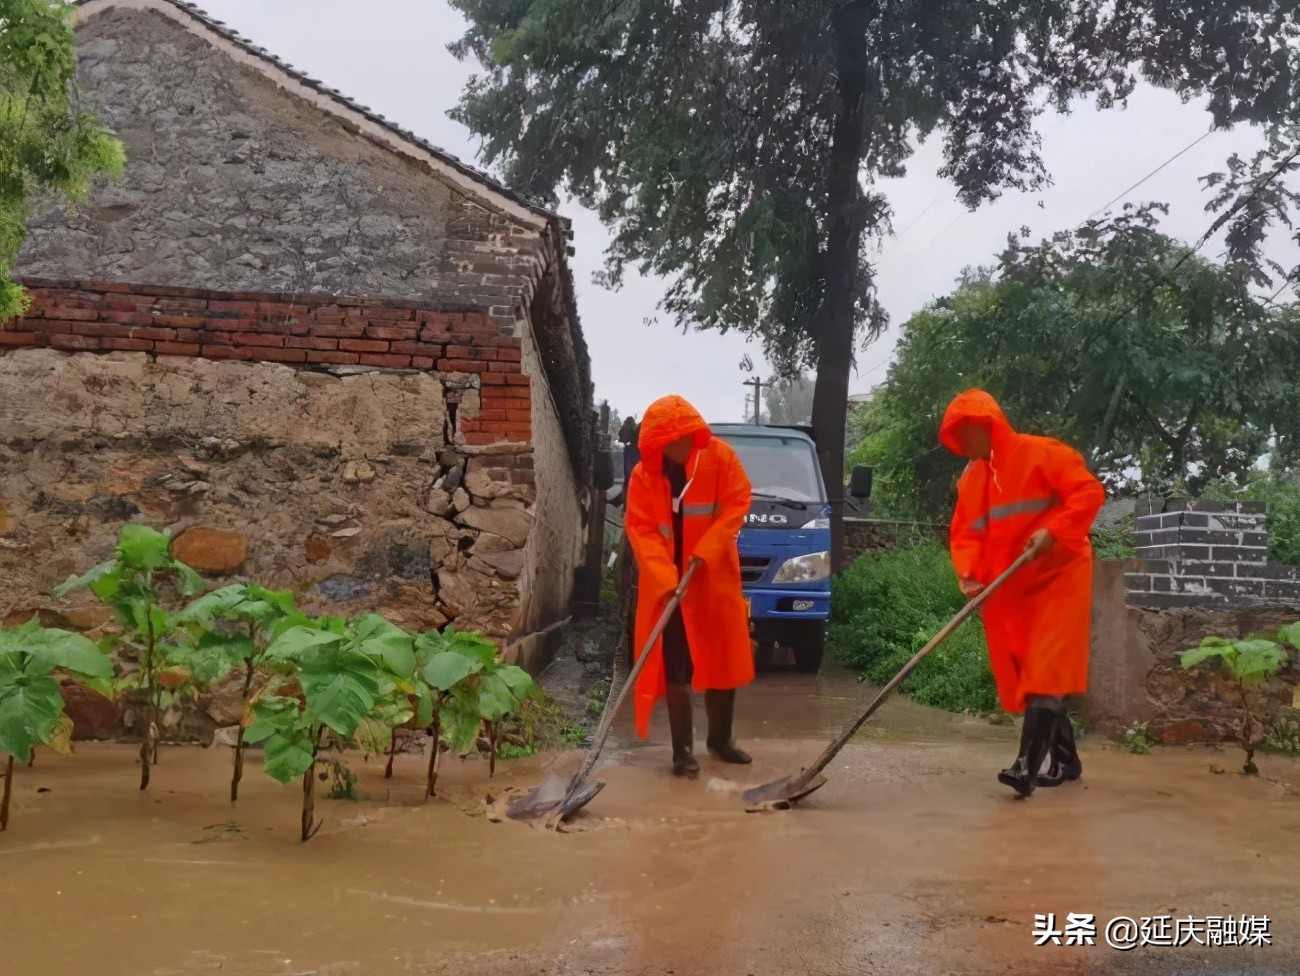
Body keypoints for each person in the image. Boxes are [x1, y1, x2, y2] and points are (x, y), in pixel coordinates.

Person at [940, 389, 1105, 798]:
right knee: (1033, 677)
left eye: (966, 434)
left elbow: (1088, 492)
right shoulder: (974, 478)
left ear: (985, 425)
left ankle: (1024, 768)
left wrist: (1056, 531)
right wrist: (971, 576)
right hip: (1012, 588)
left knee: (1046, 669)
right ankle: (1067, 761)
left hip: (1060, 578)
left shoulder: (1043, 454)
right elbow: (967, 533)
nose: (963, 446)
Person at [624, 394, 754, 777]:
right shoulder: (645, 475)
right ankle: (683, 752)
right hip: (671, 586)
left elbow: (737, 502)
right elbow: (642, 529)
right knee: (675, 664)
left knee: (720, 658)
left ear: (692, 434)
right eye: (665, 442)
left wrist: (706, 549)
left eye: (680, 437)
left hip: (711, 576)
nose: (674, 447)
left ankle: (721, 741)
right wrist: (666, 578)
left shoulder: (720, 458)